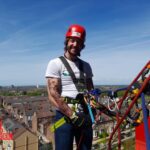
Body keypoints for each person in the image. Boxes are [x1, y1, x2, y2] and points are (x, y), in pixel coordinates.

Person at [45, 24, 94, 150]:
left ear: (82, 45)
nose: (75, 44)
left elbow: (90, 91)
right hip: (64, 117)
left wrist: (94, 109)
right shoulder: (55, 63)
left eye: (79, 42)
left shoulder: (86, 66)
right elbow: (53, 94)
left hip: (84, 115)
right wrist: (72, 115)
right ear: (67, 41)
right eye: (72, 40)